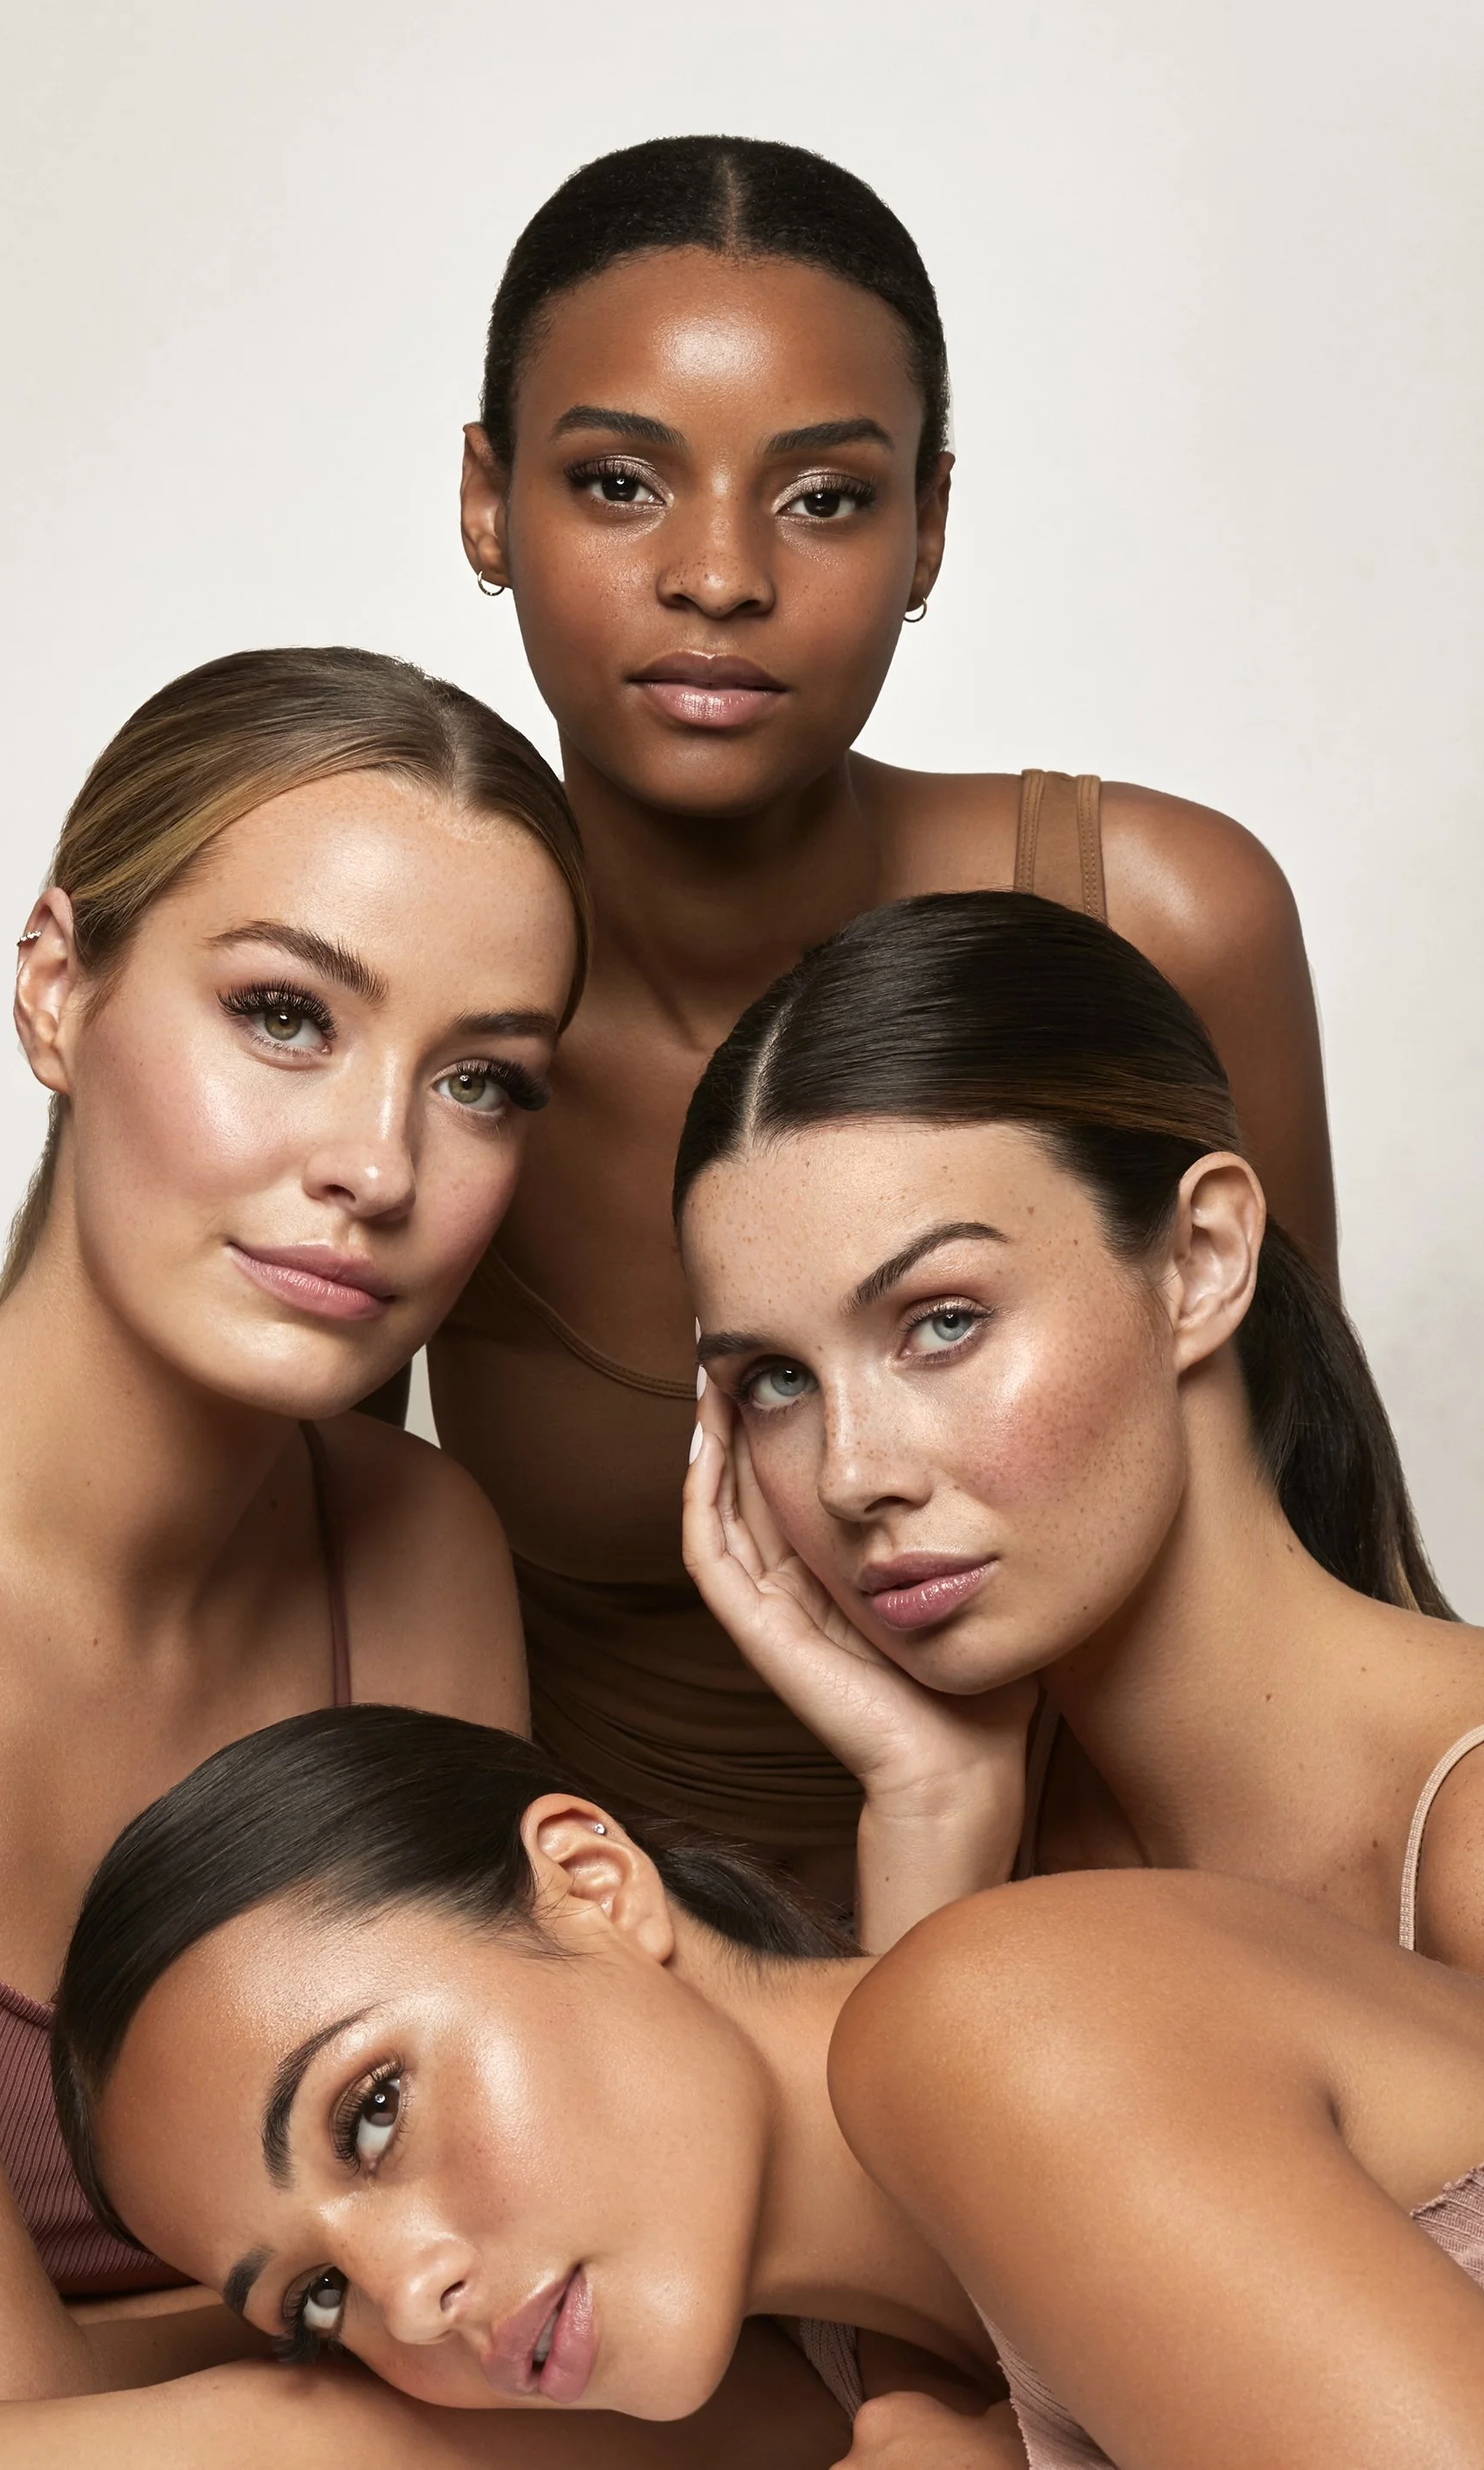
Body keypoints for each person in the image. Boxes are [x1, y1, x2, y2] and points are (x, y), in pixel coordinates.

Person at [0, 647, 842, 2466]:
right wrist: (282, 2414)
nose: (377, 1164)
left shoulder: (412, 1545)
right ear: (58, 987)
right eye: (287, 1016)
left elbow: (566, 2346)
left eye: (480, 1084)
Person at [429, 133, 1339, 1897]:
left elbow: (1304, 1565)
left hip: (1125, 1950)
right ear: (487, 498)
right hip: (615, 1988)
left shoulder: (1158, 915)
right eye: (620, 483)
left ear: (930, 525)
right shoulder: (410, 1010)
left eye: (825, 497)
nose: (717, 576)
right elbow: (246, 1578)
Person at [0, 1703, 1481, 2468]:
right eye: (314, 2293)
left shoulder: (999, 2020)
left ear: (593, 1880)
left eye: (372, 2109)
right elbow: (258, 2448)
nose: (411, 2289)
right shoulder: (838, 2367)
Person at [673, 891, 1480, 1959]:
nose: (850, 1475)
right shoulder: (998, 1814)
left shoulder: (1465, 1835)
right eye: (777, 1380)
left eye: (944, 1321)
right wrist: (934, 1809)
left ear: (1200, 1261)